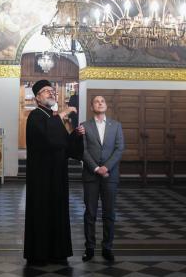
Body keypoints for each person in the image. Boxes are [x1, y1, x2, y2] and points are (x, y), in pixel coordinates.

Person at [24, 79, 84, 265]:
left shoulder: (52, 116)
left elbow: (64, 146)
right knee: (41, 212)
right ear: (37, 97)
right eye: (46, 91)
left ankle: (58, 251)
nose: (51, 93)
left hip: (57, 176)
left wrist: (76, 135)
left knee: (58, 212)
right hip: (41, 178)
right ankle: (39, 253)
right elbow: (49, 139)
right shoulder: (35, 116)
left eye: (52, 90)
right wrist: (63, 114)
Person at [81, 95, 125, 262]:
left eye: (102, 101)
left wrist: (106, 167)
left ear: (106, 105)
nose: (100, 103)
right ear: (92, 107)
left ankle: (107, 247)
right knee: (90, 213)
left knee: (109, 214)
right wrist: (96, 168)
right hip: (91, 175)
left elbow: (119, 148)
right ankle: (89, 248)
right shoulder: (84, 126)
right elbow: (83, 150)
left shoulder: (116, 126)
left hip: (110, 175)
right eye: (96, 101)